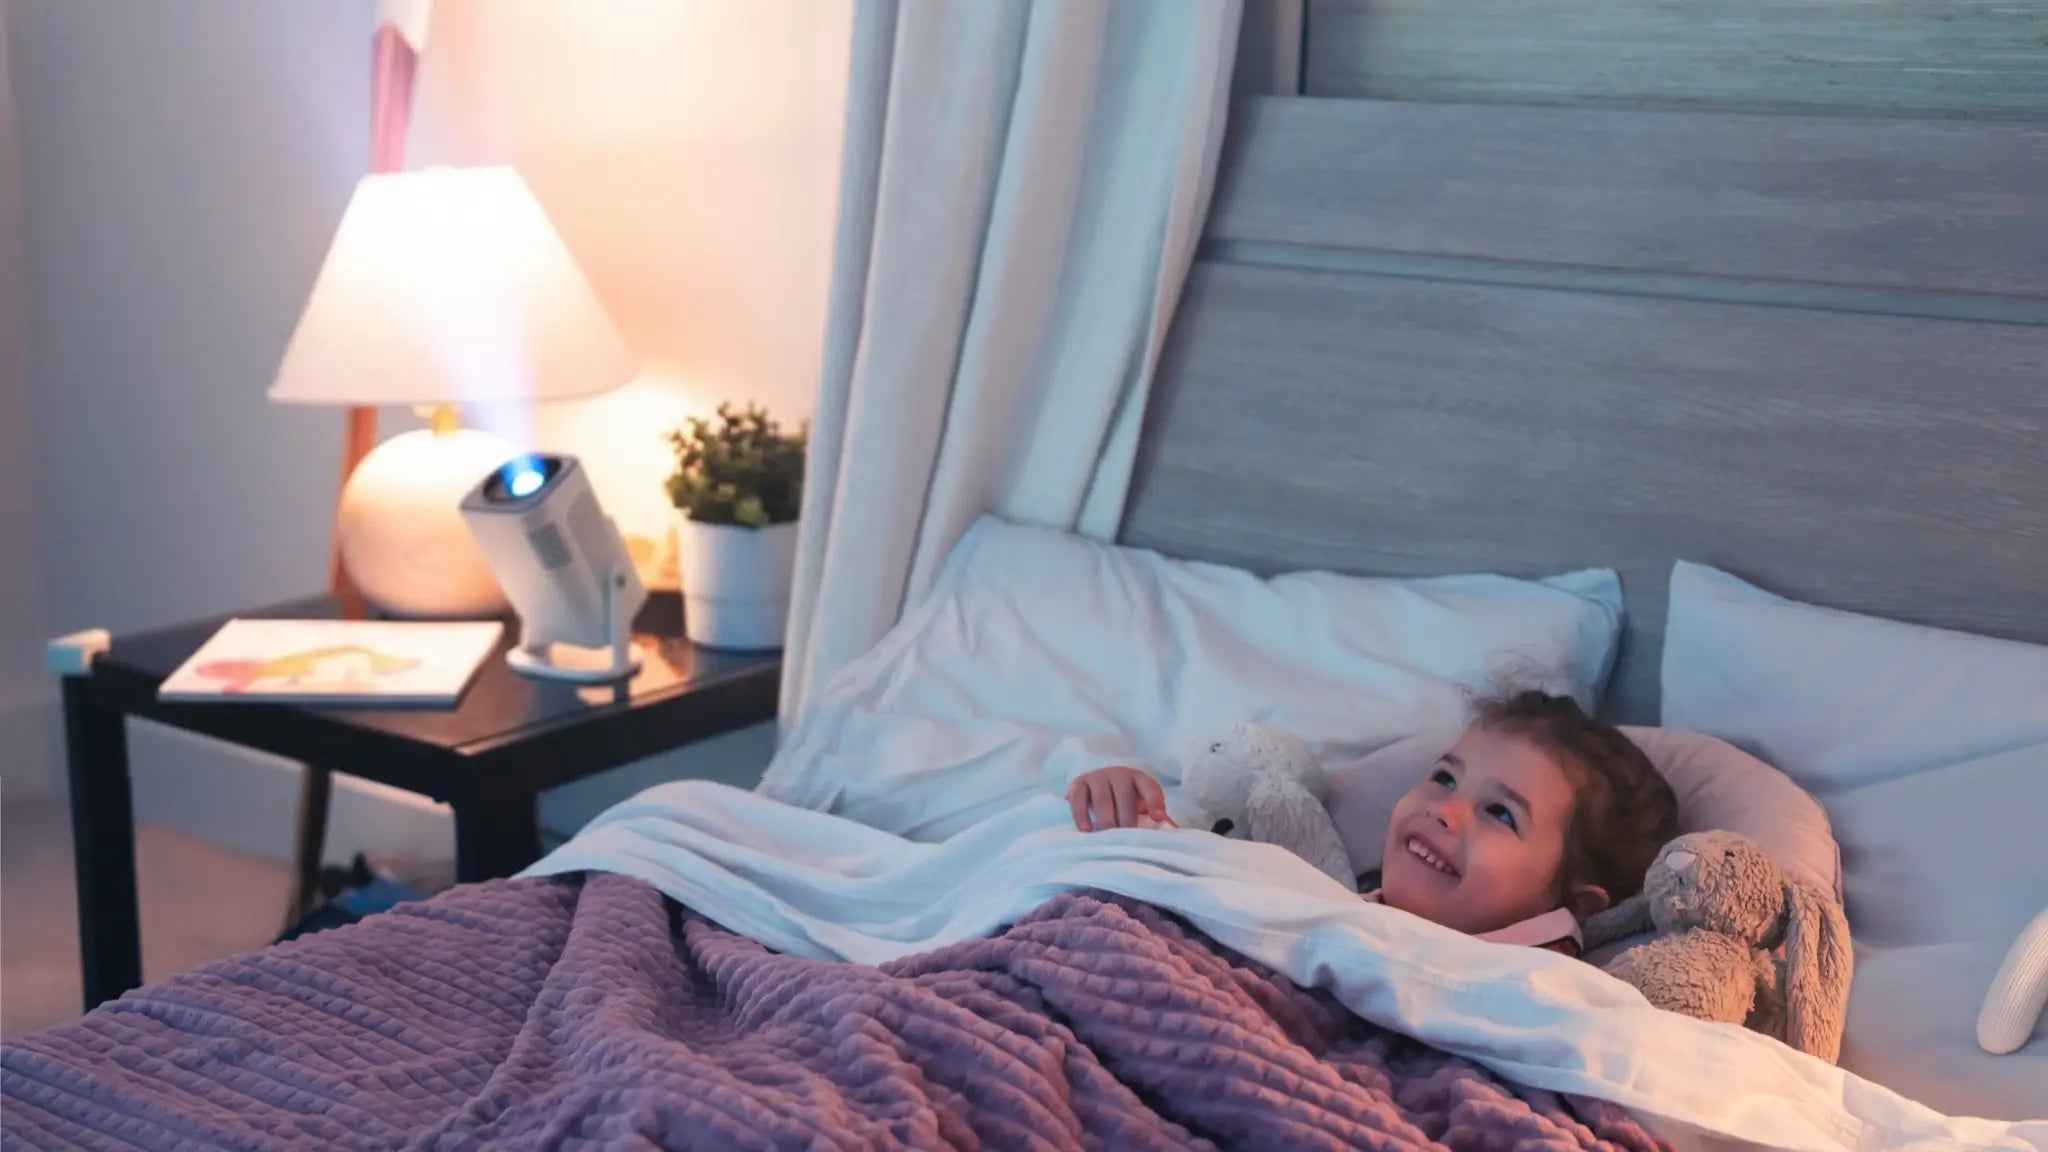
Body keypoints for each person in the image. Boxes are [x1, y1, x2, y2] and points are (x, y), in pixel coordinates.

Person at [1066, 690, 1679, 955]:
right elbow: (1209, 894)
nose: (1444, 807)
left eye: (1499, 812)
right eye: (1444, 777)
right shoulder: (1321, 898)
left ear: (1577, 907)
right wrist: (1133, 820)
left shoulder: (1539, 989)